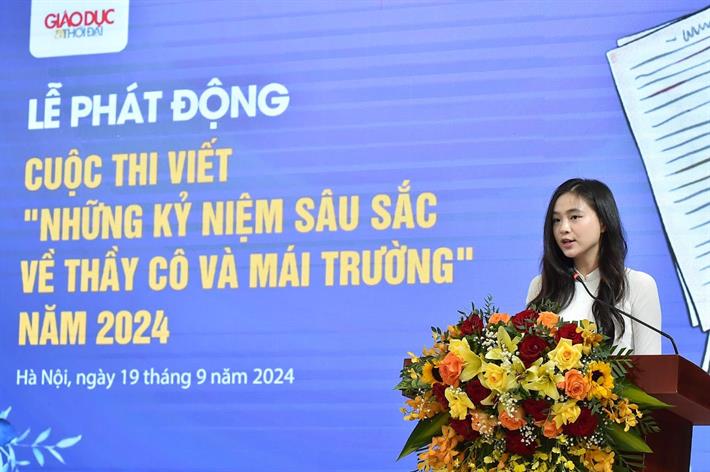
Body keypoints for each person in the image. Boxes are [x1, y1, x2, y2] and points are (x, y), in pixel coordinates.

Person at [526, 178, 662, 354]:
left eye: (574, 217)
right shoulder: (541, 286)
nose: (563, 228)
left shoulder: (638, 285)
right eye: (556, 220)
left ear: (603, 222)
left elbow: (652, 365)